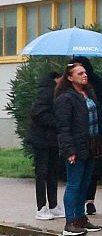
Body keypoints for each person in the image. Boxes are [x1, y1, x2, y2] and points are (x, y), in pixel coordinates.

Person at [55, 63, 102, 236]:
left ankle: (81, 218)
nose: (84, 75)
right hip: (76, 146)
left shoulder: (88, 93)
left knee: (85, 183)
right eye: (80, 73)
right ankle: (70, 222)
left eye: (85, 72)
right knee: (74, 184)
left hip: (91, 145)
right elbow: (64, 127)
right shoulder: (65, 98)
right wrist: (69, 150)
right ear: (70, 77)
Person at [28, 70, 63, 220]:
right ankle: (41, 207)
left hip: (52, 139)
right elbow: (38, 113)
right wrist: (58, 123)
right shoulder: (47, 92)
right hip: (41, 139)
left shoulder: (56, 92)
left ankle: (54, 206)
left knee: (53, 172)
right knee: (42, 172)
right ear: (56, 78)